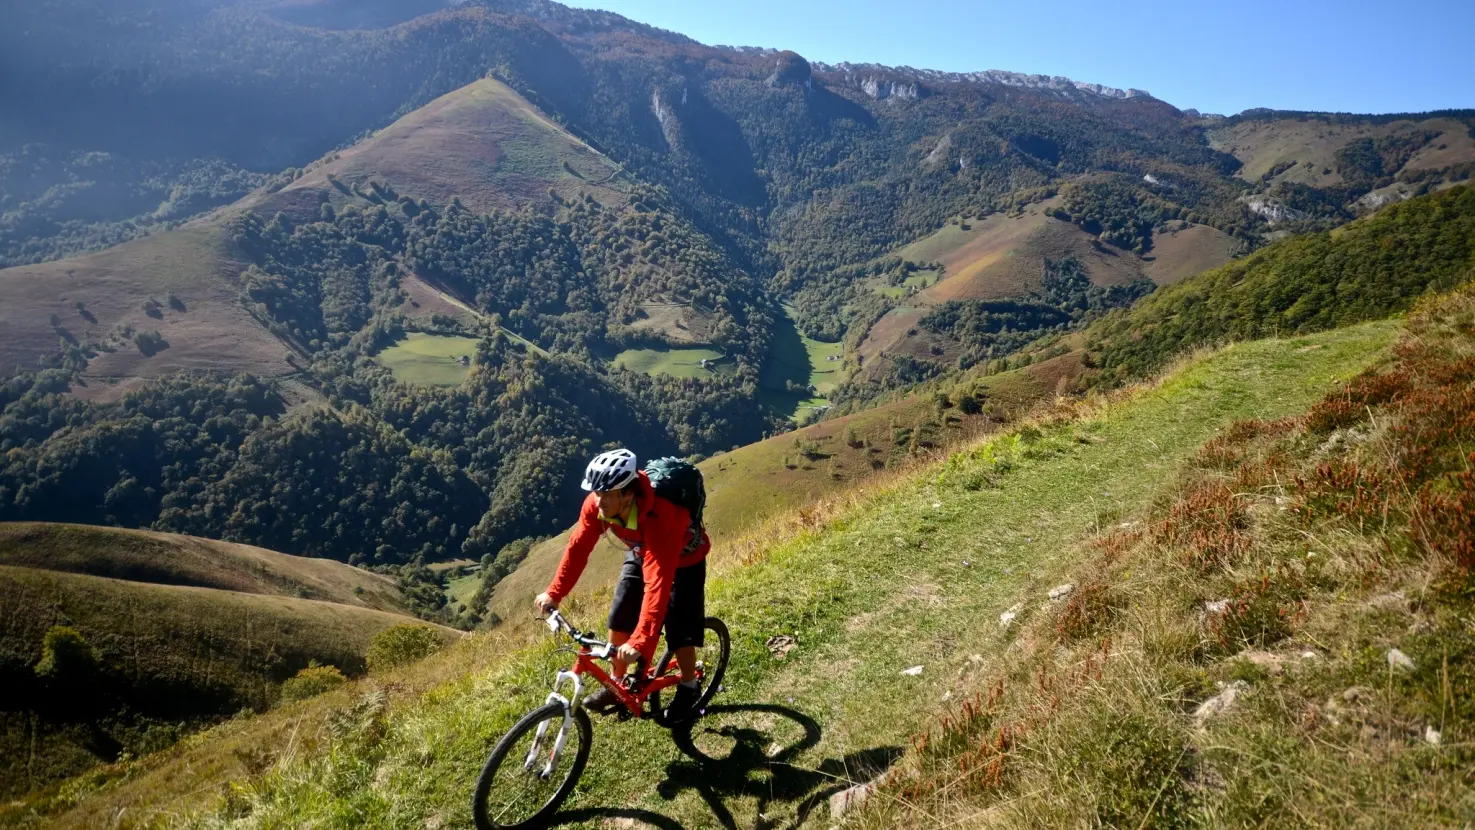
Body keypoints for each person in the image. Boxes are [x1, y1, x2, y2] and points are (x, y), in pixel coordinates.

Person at [534, 448, 710, 720]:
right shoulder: (597, 505)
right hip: (641, 550)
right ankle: (618, 684)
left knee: (679, 630)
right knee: (620, 616)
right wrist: (555, 592)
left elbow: (657, 584)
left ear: (627, 494)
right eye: (596, 492)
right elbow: (578, 548)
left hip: (682, 558)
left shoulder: (661, 516)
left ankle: (689, 685)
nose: (598, 500)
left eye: (605, 494)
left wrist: (640, 640)